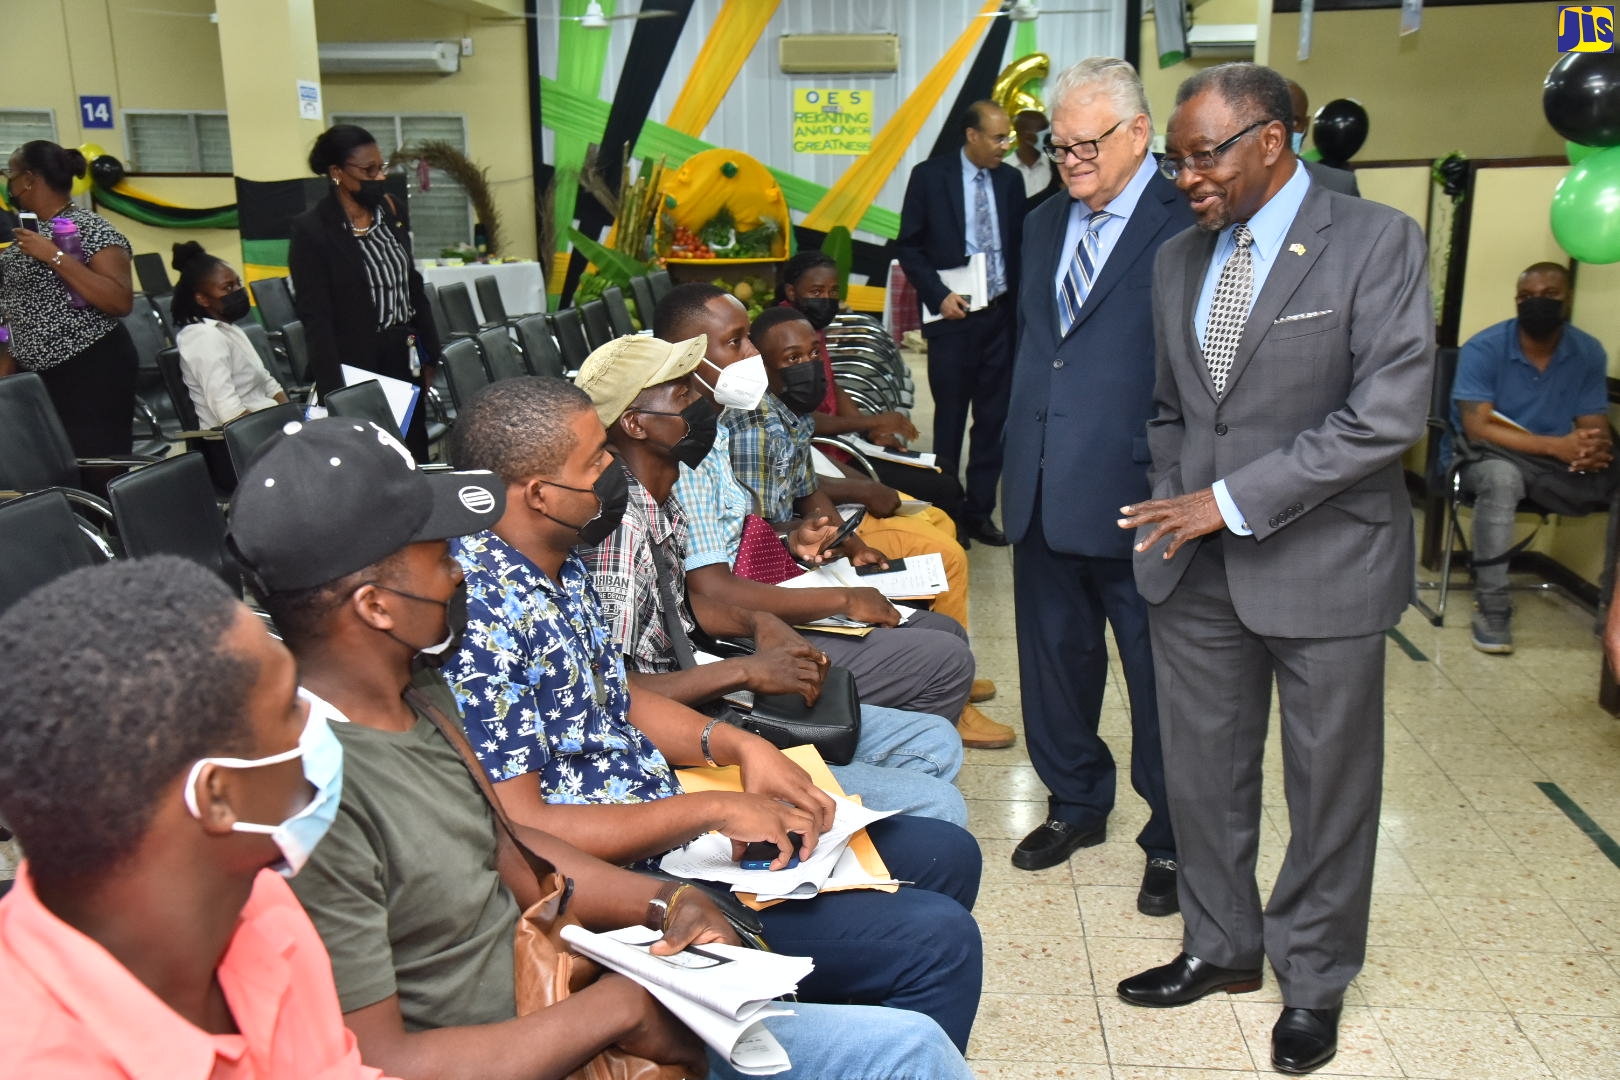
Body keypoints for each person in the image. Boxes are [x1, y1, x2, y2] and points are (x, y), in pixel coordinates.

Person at [227, 417, 971, 1079]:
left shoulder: (422, 701)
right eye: (436, 555)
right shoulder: (316, 792)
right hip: (536, 1036)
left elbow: (520, 852)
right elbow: (380, 1062)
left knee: (911, 995)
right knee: (911, 1042)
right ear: (376, 605)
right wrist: (618, 1008)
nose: (460, 569)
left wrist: (667, 902)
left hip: (572, 985)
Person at [443, 376, 985, 1053]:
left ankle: (827, 1017)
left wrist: (731, 746)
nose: (615, 469)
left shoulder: (553, 559)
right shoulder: (483, 617)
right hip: (631, 883)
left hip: (668, 820)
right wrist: (712, 811)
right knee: (940, 942)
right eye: (597, 462)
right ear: (540, 494)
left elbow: (615, 694)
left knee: (946, 853)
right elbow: (526, 828)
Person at [1115, 63, 1431, 1075]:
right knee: (1204, 778)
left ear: (1273, 139)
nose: (1184, 176)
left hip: (1327, 563)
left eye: (1201, 154)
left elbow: (1386, 416)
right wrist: (1176, 507)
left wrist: (1231, 499)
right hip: (1193, 569)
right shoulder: (1175, 261)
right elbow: (1173, 409)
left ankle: (1315, 980)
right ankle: (1221, 945)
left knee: (1330, 787)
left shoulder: (1377, 242)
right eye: (1175, 158)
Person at [0, 556, 390, 1078]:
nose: (314, 722)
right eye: (288, 709)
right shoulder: (37, 1059)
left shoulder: (259, 902)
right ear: (218, 797)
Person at [572, 332, 968, 825]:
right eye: (683, 396)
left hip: (704, 691)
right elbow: (613, 694)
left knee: (936, 742)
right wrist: (744, 672)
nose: (700, 403)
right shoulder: (618, 532)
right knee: (938, 803)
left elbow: (684, 610)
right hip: (670, 739)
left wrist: (760, 623)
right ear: (635, 423)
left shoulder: (661, 498)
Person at [657, 284, 1012, 750]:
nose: (751, 355)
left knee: (943, 630)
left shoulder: (717, 433)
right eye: (736, 342)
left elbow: (737, 535)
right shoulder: (691, 454)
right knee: (945, 657)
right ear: (688, 357)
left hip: (762, 590)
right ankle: (886, 744)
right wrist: (841, 601)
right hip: (736, 633)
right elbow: (712, 589)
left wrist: (789, 543)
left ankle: (893, 722)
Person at [1002, 58, 1188, 914]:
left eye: (1086, 143)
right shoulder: (1042, 225)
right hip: (1041, 487)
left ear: (1139, 134)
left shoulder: (1188, 217)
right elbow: (1040, 349)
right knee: (1054, 665)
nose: (1069, 158)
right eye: (1058, 142)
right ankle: (1077, 801)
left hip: (1143, 494)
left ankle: (1176, 839)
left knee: (1161, 680)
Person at [747, 305, 977, 638]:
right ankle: (949, 664)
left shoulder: (792, 415)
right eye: (793, 359)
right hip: (794, 557)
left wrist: (855, 547)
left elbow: (809, 490)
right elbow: (764, 530)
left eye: (814, 354)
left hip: (817, 533)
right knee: (950, 557)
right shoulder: (758, 428)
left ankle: (944, 649)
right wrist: (827, 536)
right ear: (764, 366)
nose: (809, 366)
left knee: (940, 520)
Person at [1449, 261, 1612, 654]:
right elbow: (1478, 429)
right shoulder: (1484, 348)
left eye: (1549, 296)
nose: (1537, 304)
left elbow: (1594, 424)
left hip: (1553, 465)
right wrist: (1558, 446)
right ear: (1517, 301)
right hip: (1483, 457)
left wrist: (1592, 447)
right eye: (1527, 297)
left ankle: (1611, 609)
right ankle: (1492, 607)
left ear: (1568, 298)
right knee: (1502, 478)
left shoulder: (1587, 351)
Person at [897, 100, 1026, 546]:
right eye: (998, 138)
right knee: (950, 418)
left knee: (993, 420)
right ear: (972, 135)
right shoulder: (930, 177)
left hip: (1001, 317)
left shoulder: (1010, 181)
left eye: (1007, 137)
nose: (1005, 146)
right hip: (953, 316)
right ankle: (946, 512)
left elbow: (1018, 246)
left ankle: (979, 511)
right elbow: (909, 248)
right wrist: (939, 295)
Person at [774, 251, 968, 531]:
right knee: (943, 487)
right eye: (816, 291)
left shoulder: (809, 325)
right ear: (791, 290)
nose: (826, 299)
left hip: (843, 445)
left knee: (944, 467)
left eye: (833, 291)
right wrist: (873, 421)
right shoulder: (786, 333)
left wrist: (871, 432)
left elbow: (832, 385)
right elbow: (803, 420)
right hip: (822, 458)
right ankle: (942, 546)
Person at [288, 124, 441, 461]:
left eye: (381, 167)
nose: (378, 176)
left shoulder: (391, 211)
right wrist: (334, 391)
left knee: (412, 453)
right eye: (368, 169)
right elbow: (316, 318)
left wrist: (430, 352)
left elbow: (411, 283)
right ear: (337, 173)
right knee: (371, 460)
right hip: (355, 362)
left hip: (404, 352)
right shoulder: (312, 230)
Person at [0, 140, 137, 465]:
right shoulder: (27, 235)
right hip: (37, 377)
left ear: (29, 178)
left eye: (11, 174)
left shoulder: (91, 228)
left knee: (96, 467)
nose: (9, 184)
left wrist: (53, 255)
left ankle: (107, 517)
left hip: (91, 368)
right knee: (52, 471)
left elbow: (119, 300)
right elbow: (12, 310)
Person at [170, 241, 289, 427]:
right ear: (202, 298)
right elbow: (229, 413)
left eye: (238, 284)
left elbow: (267, 383)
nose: (238, 291)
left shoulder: (229, 328)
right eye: (227, 288)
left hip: (266, 423)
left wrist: (295, 419)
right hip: (242, 438)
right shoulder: (202, 337)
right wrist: (276, 429)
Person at [1284, 80, 1360, 197]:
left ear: (1306, 125)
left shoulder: (1339, 185)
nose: (1283, 132)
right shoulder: (1247, 183)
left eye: (1294, 122)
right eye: (1276, 121)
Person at [1010, 108, 1063, 206]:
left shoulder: (1055, 167)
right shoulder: (1005, 170)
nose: (1049, 133)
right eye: (1043, 129)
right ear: (1026, 136)